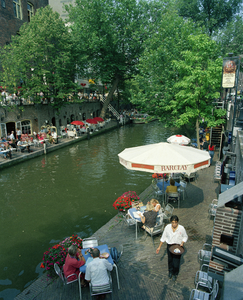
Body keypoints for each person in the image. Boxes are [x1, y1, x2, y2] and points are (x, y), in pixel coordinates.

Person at [156, 215, 188, 281]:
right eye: (173, 223)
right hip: (170, 246)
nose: (174, 224)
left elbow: (185, 237)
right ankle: (170, 272)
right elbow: (163, 237)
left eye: (175, 223)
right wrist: (159, 247)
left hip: (178, 247)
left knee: (176, 262)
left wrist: (182, 242)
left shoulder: (181, 228)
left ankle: (175, 273)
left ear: (177, 222)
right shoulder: (167, 227)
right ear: (171, 222)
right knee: (170, 260)